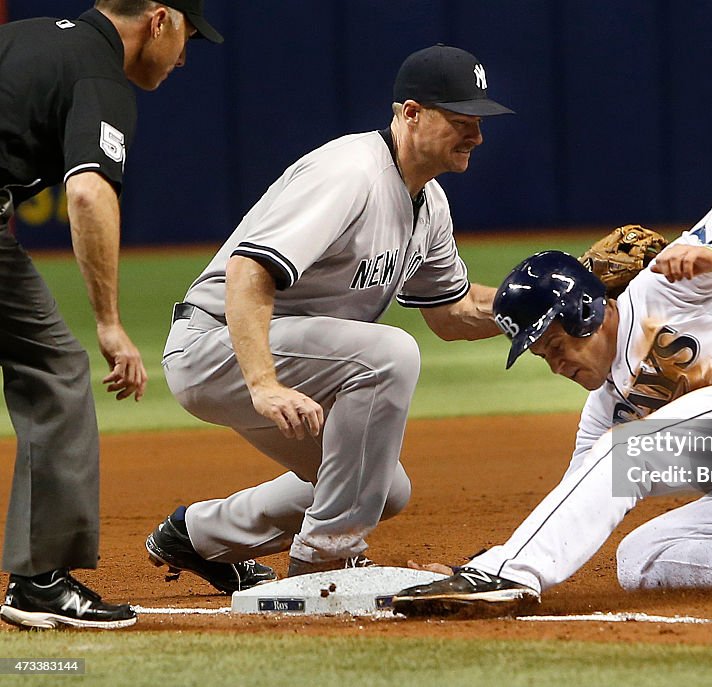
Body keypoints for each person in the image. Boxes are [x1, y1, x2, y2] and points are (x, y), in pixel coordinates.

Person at [392, 192, 712, 618]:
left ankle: (507, 577)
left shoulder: (660, 288)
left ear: (585, 312)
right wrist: (496, 549)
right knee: (638, 558)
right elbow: (580, 492)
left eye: (554, 345)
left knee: (627, 452)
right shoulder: (606, 410)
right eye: (541, 356)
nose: (554, 364)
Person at [143, 44, 513, 592]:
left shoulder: (428, 203)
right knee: (389, 353)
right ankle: (325, 560)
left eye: (479, 122)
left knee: (382, 488)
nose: (476, 136)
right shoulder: (350, 173)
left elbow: (453, 313)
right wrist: (263, 383)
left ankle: (195, 535)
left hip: (281, 353)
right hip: (217, 345)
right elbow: (248, 270)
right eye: (462, 121)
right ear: (410, 114)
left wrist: (546, 300)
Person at [0, 1, 222, 630]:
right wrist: (109, 321)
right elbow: (89, 191)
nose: (183, 56)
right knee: (56, 372)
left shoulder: (28, 38)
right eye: (185, 37)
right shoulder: (100, 74)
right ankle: (40, 582)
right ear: (158, 20)